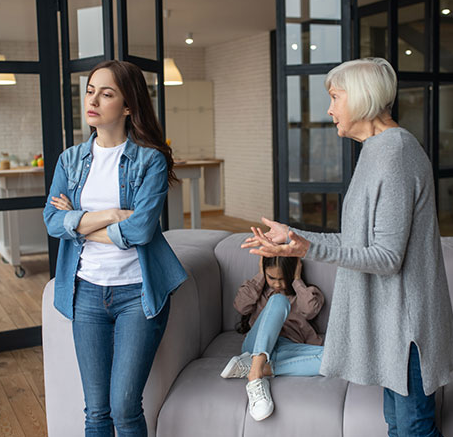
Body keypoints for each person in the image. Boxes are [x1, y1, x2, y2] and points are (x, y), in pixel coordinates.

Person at [242, 57, 453, 436]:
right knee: (400, 425)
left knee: (411, 429)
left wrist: (307, 249)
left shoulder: (395, 155)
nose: (329, 109)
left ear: (361, 98)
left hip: (406, 328)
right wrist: (296, 239)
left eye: (335, 97)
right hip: (392, 324)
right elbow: (360, 242)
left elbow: (387, 258)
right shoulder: (377, 151)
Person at [43, 60, 187, 437]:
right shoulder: (70, 160)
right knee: (96, 412)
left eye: (106, 93)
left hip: (137, 295)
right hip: (86, 292)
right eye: (90, 90)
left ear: (127, 106)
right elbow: (50, 221)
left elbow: (139, 230)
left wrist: (78, 220)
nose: (93, 100)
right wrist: (107, 214)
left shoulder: (149, 160)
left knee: (124, 408)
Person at [221, 255, 324, 421]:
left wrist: (297, 280)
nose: (277, 284)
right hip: (254, 349)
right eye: (272, 278)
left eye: (282, 279)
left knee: (335, 358)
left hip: (286, 349)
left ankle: (261, 368)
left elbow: (310, 310)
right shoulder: (259, 293)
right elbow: (240, 305)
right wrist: (261, 276)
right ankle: (255, 375)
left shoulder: (304, 294)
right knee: (278, 300)